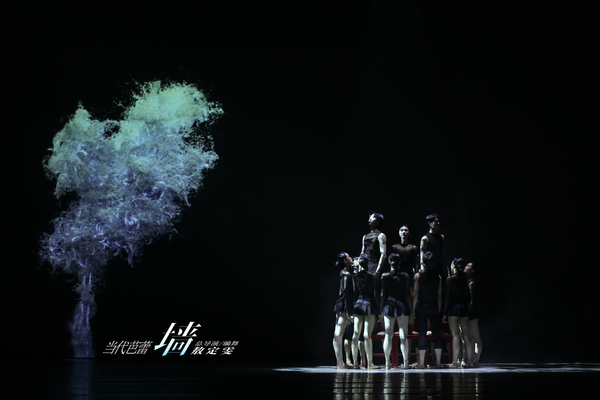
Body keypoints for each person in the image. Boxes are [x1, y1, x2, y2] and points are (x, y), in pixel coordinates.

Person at [380, 253, 412, 369]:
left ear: (389, 262)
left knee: (388, 335)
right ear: (399, 262)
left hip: (389, 305)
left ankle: (387, 362)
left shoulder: (384, 276)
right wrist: (411, 311)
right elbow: (408, 295)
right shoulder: (405, 276)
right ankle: (406, 362)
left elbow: (383, 295)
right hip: (402, 305)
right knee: (403, 335)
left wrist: (381, 310)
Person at [412, 251, 443, 368]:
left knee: (422, 333)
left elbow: (415, 294)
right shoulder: (438, 277)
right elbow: (439, 295)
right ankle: (438, 362)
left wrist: (413, 309)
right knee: (436, 333)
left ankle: (421, 363)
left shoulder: (418, 276)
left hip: (422, 306)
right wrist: (438, 308)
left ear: (423, 262)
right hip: (434, 305)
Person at [442, 258, 473, 368]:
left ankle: (455, 362)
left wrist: (444, 313)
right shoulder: (466, 279)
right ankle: (469, 361)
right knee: (466, 336)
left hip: (453, 308)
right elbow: (468, 297)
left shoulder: (450, 280)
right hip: (463, 308)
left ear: (454, 266)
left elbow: (447, 297)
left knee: (455, 335)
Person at [351, 254, 381, 369]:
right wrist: (378, 311)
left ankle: (355, 362)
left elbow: (354, 294)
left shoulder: (355, 276)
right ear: (368, 262)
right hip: (369, 305)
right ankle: (370, 363)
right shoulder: (372, 276)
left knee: (355, 334)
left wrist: (352, 310)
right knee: (367, 335)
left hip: (358, 304)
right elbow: (376, 295)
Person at [333, 252, 354, 369]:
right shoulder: (345, 274)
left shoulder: (346, 273)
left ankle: (340, 361)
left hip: (342, 305)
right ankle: (340, 362)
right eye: (349, 257)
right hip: (343, 306)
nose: (351, 258)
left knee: (339, 333)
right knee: (339, 333)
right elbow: (345, 293)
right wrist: (349, 312)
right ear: (345, 261)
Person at [465, 262, 482, 367]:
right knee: (469, 338)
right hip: (467, 313)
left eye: (468, 266)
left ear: (472, 270)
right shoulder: (465, 281)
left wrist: (469, 313)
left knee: (475, 338)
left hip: (472, 314)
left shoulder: (471, 282)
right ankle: (470, 359)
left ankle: (476, 359)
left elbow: (472, 300)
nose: (465, 267)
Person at [420, 214, 446, 280]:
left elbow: (443, 255)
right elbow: (422, 256)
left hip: (440, 268)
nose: (438, 223)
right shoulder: (425, 239)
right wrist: (422, 269)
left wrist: (446, 270)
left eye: (438, 221)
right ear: (429, 223)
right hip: (430, 269)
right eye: (436, 222)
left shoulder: (441, 237)